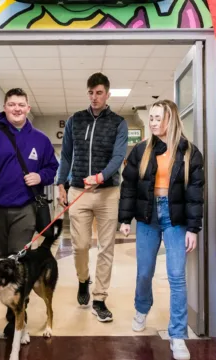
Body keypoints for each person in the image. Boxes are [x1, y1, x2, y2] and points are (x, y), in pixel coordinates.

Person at [118, 99, 204, 360]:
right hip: (147, 216)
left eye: (158, 118)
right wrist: (124, 220)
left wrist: (193, 228)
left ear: (171, 119)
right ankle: (142, 308)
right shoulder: (141, 150)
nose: (153, 122)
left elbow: (194, 193)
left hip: (175, 218)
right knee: (144, 272)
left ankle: (177, 336)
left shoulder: (189, 152)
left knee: (177, 277)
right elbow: (129, 186)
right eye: (151, 118)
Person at [0, 88, 59, 336]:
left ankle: (15, 319)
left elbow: (52, 168)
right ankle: (15, 309)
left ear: (28, 108)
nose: (17, 109)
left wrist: (40, 176)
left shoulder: (41, 140)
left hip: (25, 209)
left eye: (21, 105)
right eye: (12, 104)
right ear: (5, 107)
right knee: (3, 260)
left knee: (17, 262)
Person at [56, 72, 128, 322]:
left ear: (107, 94)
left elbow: (118, 157)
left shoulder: (118, 123)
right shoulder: (75, 120)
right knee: (81, 245)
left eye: (99, 92)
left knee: (106, 247)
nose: (94, 97)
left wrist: (100, 176)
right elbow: (65, 155)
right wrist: (60, 183)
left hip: (108, 193)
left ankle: (99, 298)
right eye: (90, 92)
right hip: (78, 191)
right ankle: (83, 280)